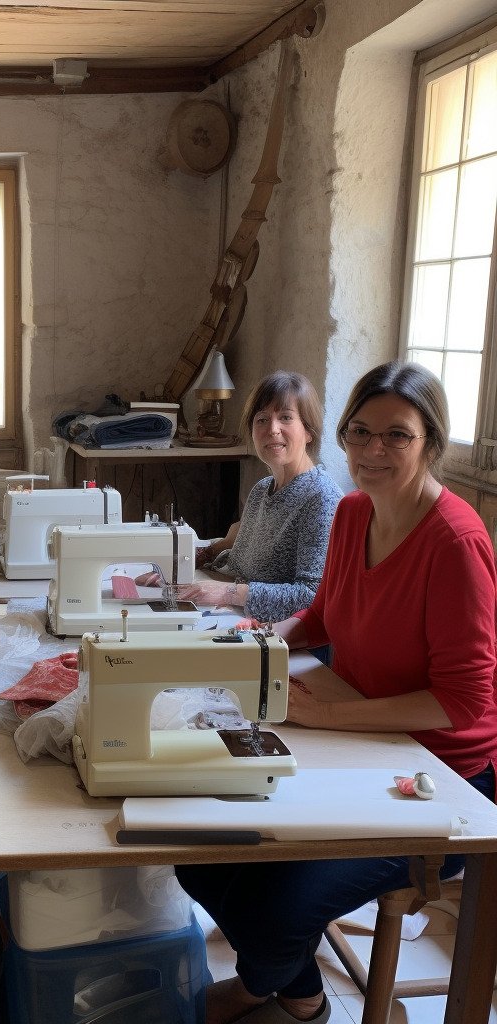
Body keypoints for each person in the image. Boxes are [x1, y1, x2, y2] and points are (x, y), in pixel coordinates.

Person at [175, 361, 497, 1024]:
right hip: (364, 738)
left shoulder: (456, 543)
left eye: (397, 437)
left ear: (432, 443)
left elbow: (464, 701)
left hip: (442, 775)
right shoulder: (353, 514)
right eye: (360, 433)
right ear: (342, 436)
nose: (373, 452)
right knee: (196, 854)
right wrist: (257, 654)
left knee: (272, 908)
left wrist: (336, 716)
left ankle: (266, 984)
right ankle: (297, 992)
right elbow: (321, 616)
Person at [147, 372, 342, 621]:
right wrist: (177, 569)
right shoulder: (262, 490)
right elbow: (239, 564)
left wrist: (228, 593)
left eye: (285, 417)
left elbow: (312, 596)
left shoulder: (321, 498)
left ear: (309, 431)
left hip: (289, 641)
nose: (272, 429)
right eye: (262, 419)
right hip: (240, 619)